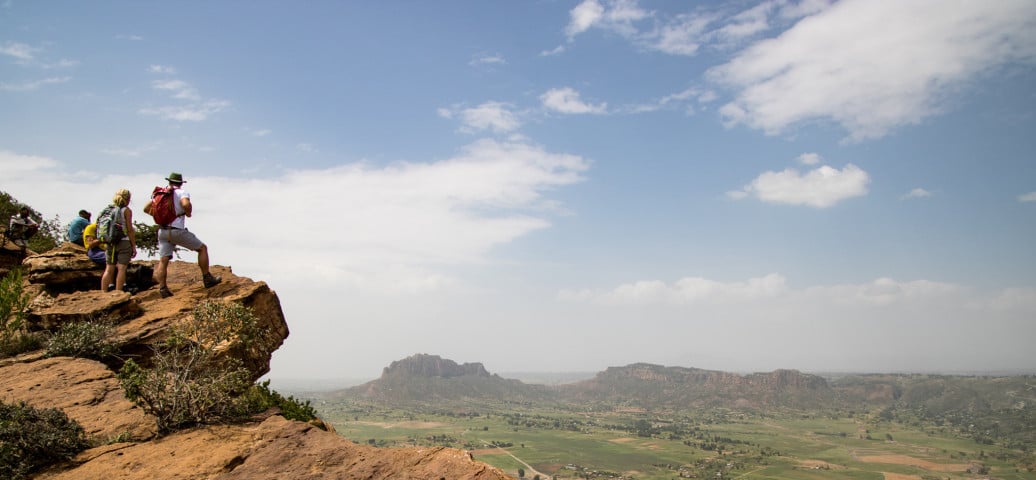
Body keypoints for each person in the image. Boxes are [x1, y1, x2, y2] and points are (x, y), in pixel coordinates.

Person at [144, 172, 221, 298]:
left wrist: (161, 216)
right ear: (180, 183)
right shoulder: (182, 192)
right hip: (177, 230)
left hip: (162, 231)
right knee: (202, 248)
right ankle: (207, 278)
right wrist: (188, 212)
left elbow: (146, 208)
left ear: (169, 182)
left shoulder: (160, 194)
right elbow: (185, 204)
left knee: (163, 261)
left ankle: (163, 289)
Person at [100, 189, 137, 292]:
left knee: (109, 269)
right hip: (123, 241)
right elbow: (129, 230)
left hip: (110, 242)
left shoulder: (109, 210)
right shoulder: (126, 210)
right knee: (121, 268)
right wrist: (133, 245)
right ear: (128, 198)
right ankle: (118, 293)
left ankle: (103, 293)